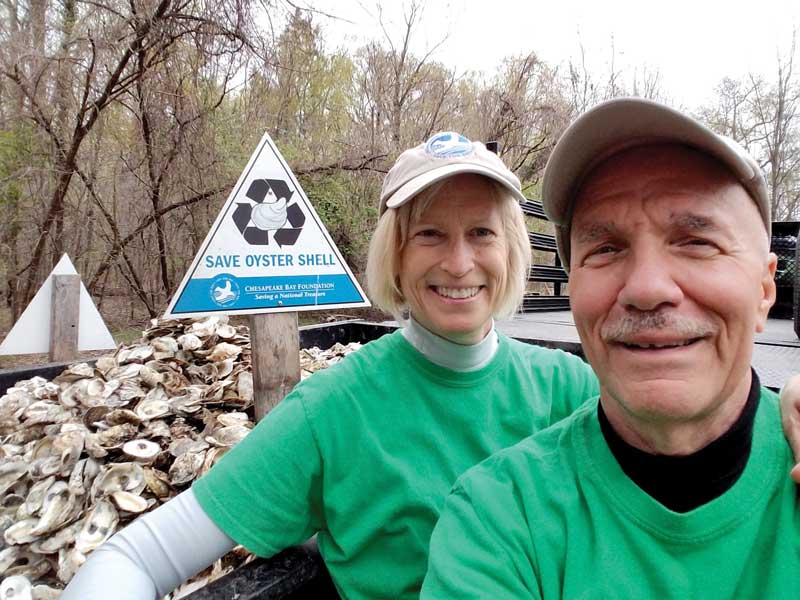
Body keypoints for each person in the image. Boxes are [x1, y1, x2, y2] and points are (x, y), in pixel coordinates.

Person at [61, 131, 603, 600]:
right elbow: (133, 558)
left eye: (481, 233)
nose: (459, 263)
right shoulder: (333, 410)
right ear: (396, 252)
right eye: (429, 234)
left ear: (509, 248)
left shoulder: (570, 389)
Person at [421, 98, 800, 599]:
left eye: (695, 241)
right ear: (574, 285)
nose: (646, 288)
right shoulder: (498, 519)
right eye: (606, 248)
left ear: (764, 290)